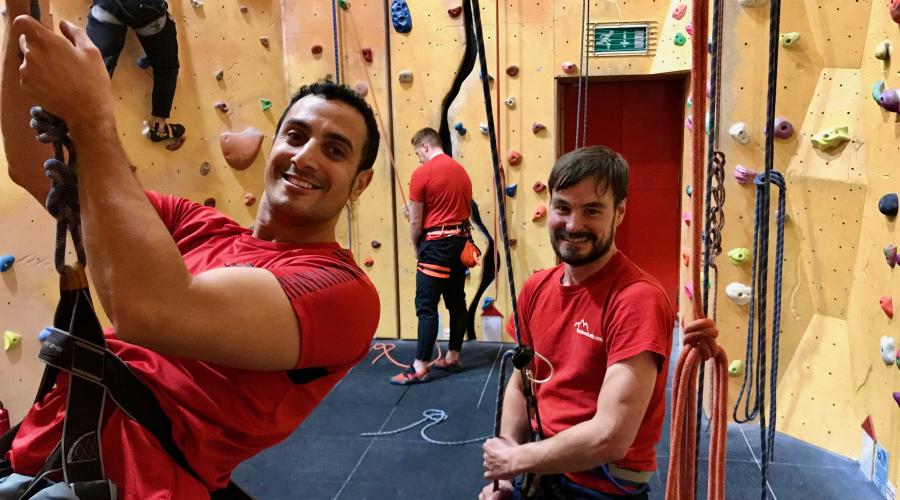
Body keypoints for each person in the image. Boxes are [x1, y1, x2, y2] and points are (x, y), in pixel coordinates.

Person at [1, 9, 380, 499]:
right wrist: (21, 19)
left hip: (137, 486)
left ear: (360, 183)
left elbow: (151, 312)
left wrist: (92, 117)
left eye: (335, 150)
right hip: (47, 453)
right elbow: (36, 167)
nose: (305, 157)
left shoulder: (342, 292)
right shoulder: (195, 225)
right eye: (296, 135)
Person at [479, 146, 674, 500]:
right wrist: (507, 468)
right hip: (540, 467)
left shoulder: (637, 299)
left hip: (602, 485)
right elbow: (523, 384)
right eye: (563, 208)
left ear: (619, 212)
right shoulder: (536, 288)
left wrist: (517, 458)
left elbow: (610, 436)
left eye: (592, 211)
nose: (574, 225)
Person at [390, 127, 473, 385]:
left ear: (425, 146)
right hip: (459, 244)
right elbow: (458, 208)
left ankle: (419, 366)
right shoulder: (461, 172)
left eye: (418, 153)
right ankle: (452, 356)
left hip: (435, 247)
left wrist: (416, 244)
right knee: (456, 301)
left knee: (427, 306)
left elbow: (416, 222)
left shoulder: (422, 174)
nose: (419, 159)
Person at [86, 0, 186, 144]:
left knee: (96, 67)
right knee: (166, 68)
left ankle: (79, 117)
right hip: (146, 10)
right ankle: (158, 126)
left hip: (108, 7)